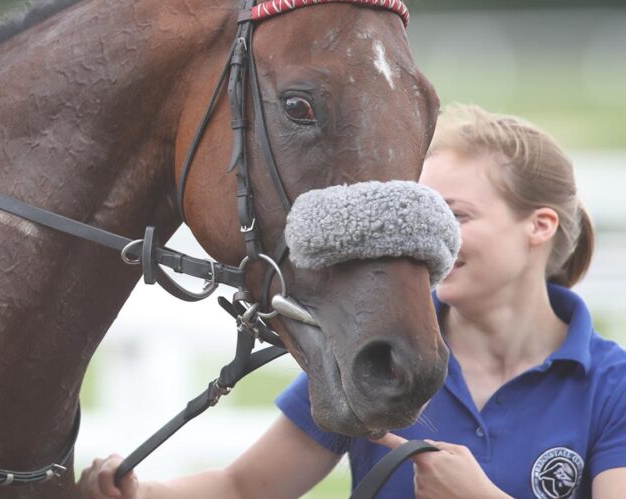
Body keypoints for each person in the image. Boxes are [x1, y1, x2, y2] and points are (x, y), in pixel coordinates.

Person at [81, 104, 626, 498]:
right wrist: (143, 495)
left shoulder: (613, 386)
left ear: (540, 227)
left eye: (456, 217)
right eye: (424, 214)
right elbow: (243, 486)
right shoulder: (377, 351)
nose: (429, 241)